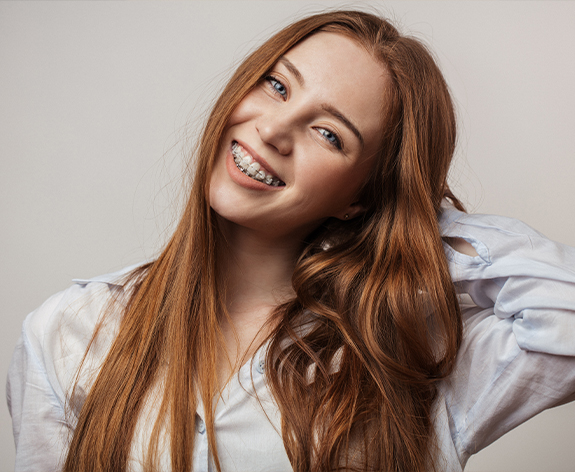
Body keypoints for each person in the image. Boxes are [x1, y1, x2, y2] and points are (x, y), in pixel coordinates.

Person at [6, 9, 575, 472]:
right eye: (277, 86)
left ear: (361, 195)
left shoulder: (413, 353)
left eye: (328, 134)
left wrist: (408, 224)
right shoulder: (69, 334)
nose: (274, 131)